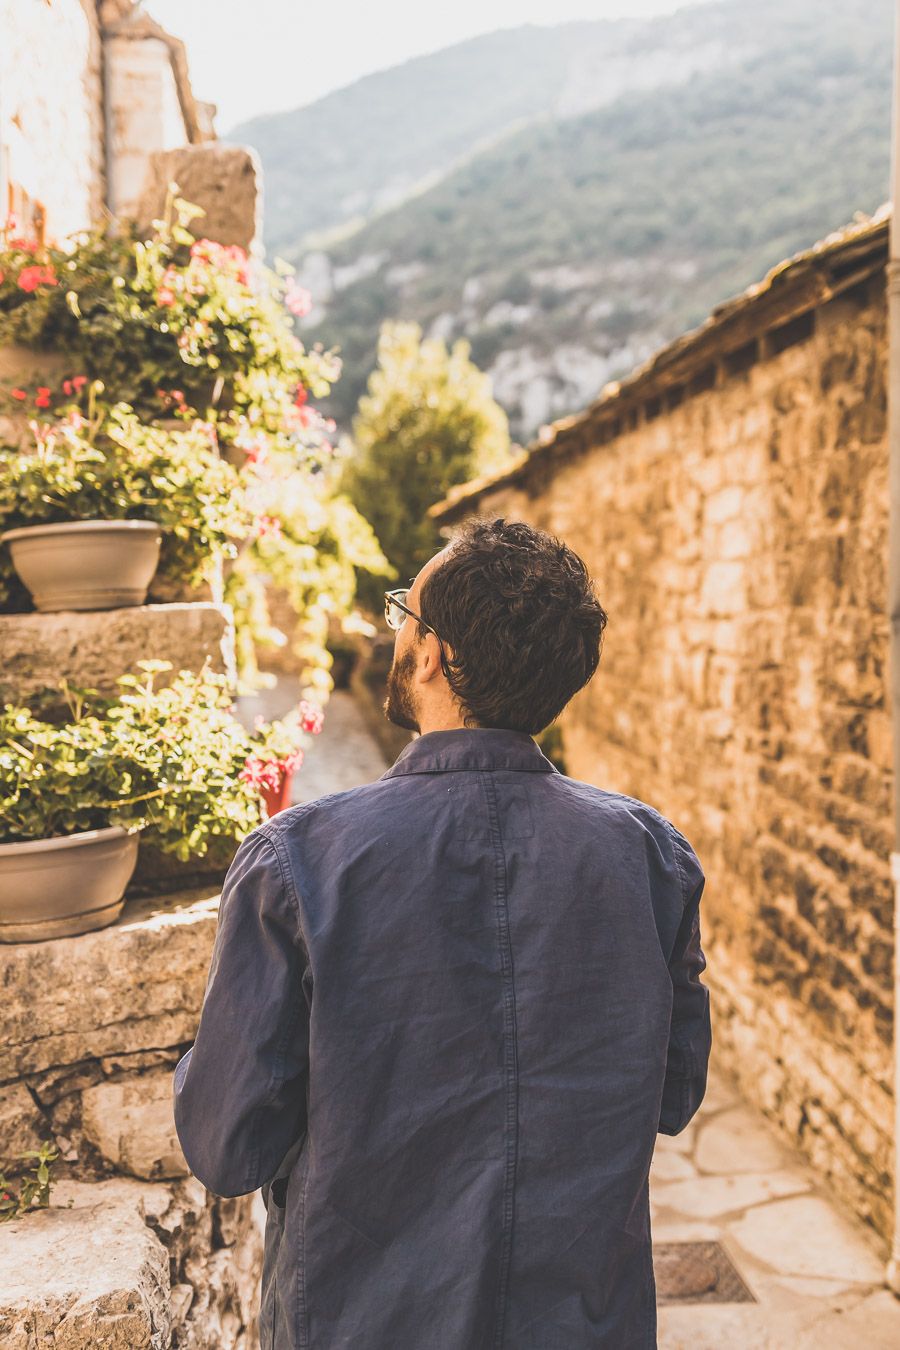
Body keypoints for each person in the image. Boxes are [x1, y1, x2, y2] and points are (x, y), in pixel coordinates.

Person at [174, 516, 712, 1349]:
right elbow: (673, 1096)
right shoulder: (650, 857)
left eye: (404, 614)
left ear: (433, 654)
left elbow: (228, 1145)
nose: (395, 633)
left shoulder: (298, 862)